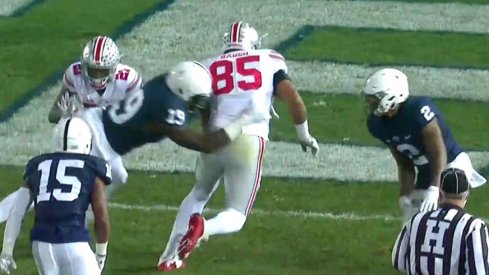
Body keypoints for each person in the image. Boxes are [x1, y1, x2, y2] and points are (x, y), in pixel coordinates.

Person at [156, 21, 319, 271]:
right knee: (236, 215)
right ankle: (203, 230)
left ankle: (168, 258)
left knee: (199, 192)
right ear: (253, 44)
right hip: (248, 138)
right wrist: (304, 135)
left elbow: (202, 107)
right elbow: (293, 99)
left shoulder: (209, 66)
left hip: (214, 138)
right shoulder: (269, 58)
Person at [0, 35, 141, 224]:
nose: (96, 76)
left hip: (106, 136)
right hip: (77, 133)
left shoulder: (129, 80)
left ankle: (75, 213)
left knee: (118, 177)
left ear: (114, 67)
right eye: (92, 69)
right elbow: (53, 115)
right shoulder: (74, 74)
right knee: (44, 182)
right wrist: (66, 114)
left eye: (102, 71)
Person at [363, 68, 486, 221]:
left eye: (375, 98)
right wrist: (405, 194)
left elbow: (438, 152)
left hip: (451, 164)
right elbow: (404, 163)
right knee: (413, 224)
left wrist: (434, 188)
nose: (371, 103)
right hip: (426, 170)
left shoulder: (417, 110)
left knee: (445, 219)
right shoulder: (377, 124)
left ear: (392, 95)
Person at [0, 117, 111, 275]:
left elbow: (17, 211)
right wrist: (101, 254)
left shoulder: (37, 165)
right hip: (74, 241)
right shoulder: (92, 167)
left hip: (41, 245)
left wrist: (7, 249)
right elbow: (101, 218)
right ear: (86, 142)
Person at [392, 168, 489, 274]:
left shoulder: (416, 219)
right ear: (467, 196)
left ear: (440, 194)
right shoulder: (473, 226)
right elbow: (479, 271)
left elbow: (398, 262)